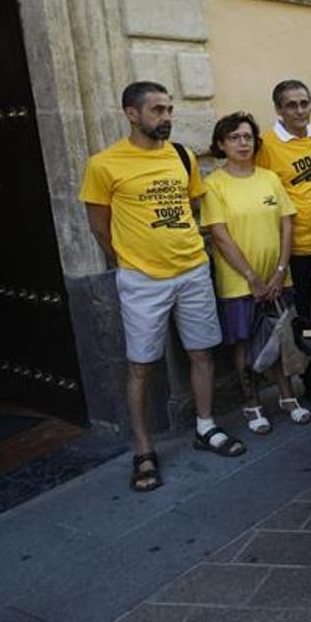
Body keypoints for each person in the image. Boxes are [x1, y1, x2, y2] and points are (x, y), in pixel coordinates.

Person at [80, 82, 242, 493]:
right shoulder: (104, 164)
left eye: (169, 109)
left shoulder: (183, 156)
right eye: (157, 110)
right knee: (141, 365)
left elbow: (190, 206)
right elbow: (99, 225)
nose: (166, 117)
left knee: (202, 352)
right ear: (132, 114)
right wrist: (130, 261)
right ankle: (143, 448)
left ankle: (205, 426)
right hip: (142, 280)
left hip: (191, 271)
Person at [201, 112, 311, 433]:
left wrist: (279, 271)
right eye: (234, 137)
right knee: (245, 343)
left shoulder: (269, 178)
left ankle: (287, 397)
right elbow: (219, 235)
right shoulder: (214, 185)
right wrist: (252, 277)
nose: (243, 143)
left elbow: (287, 223)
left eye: (248, 137)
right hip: (240, 282)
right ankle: (252, 403)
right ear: (221, 144)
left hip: (278, 278)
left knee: (278, 338)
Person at [255, 79, 311, 319]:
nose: (300, 111)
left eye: (304, 104)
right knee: (300, 311)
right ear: (279, 110)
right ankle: (306, 356)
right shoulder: (266, 144)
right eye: (291, 106)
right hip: (293, 247)